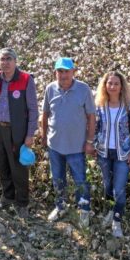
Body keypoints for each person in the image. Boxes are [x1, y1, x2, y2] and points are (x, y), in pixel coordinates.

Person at [42, 58, 95, 226]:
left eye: (66, 71)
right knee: (58, 179)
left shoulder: (83, 89)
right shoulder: (50, 88)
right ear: (55, 72)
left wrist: (89, 141)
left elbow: (91, 117)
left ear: (74, 72)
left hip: (76, 146)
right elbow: (44, 114)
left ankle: (84, 209)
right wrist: (44, 136)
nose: (63, 75)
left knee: (80, 180)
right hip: (55, 145)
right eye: (60, 71)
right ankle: (61, 206)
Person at [0, 48, 39, 218]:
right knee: (2, 164)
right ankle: (7, 196)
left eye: (9, 59)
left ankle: (22, 202)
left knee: (19, 167)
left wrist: (30, 134)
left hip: (17, 130)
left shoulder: (25, 79)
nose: (5, 62)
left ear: (15, 61)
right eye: (2, 59)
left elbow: (33, 109)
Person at [93, 71, 130, 237]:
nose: (112, 86)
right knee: (107, 186)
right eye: (109, 83)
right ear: (105, 85)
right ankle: (109, 212)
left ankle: (117, 221)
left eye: (116, 84)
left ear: (121, 87)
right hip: (103, 153)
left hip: (123, 154)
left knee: (119, 189)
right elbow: (95, 128)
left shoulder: (129, 105)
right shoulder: (99, 105)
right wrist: (93, 145)